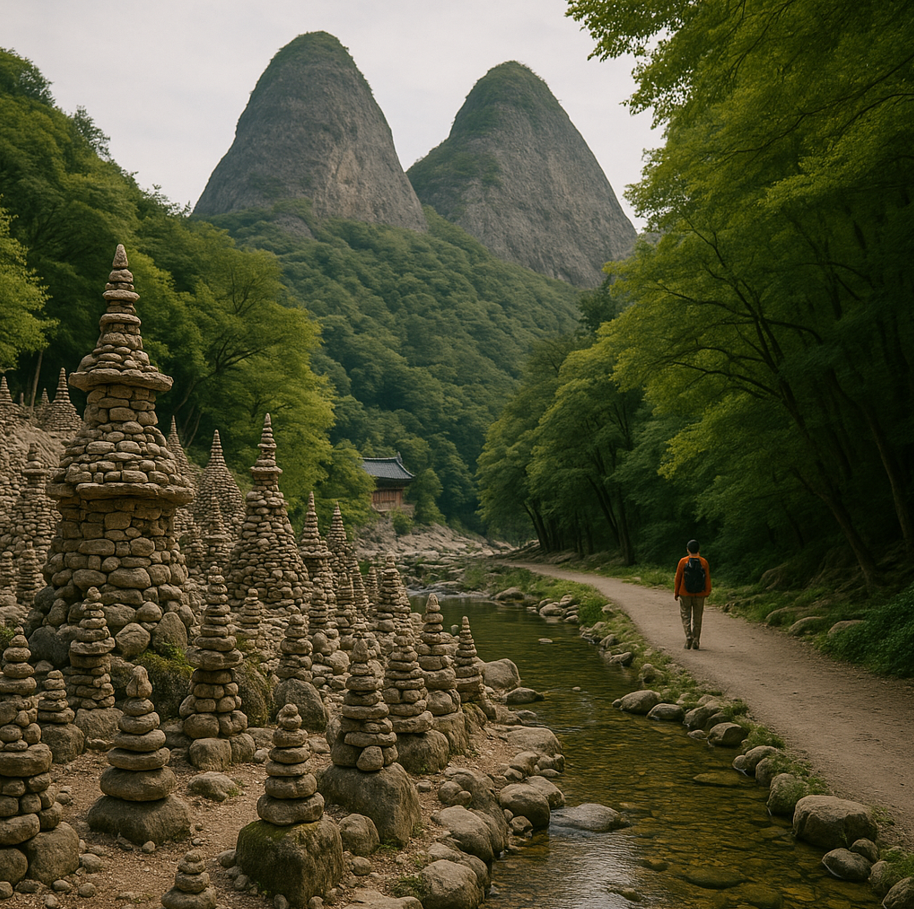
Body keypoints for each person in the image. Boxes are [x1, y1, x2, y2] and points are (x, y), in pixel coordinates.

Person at [674, 540, 711, 650]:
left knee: (685, 615)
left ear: (688, 549)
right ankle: (696, 640)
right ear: (699, 550)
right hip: (700, 594)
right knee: (697, 617)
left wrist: (676, 593)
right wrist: (707, 591)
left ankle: (688, 636)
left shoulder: (683, 561)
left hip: (684, 592)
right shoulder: (704, 562)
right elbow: (707, 578)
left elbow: (678, 578)